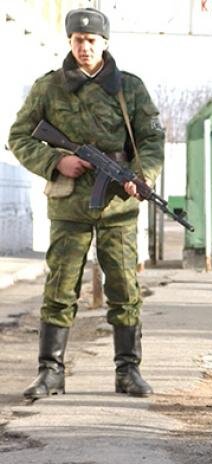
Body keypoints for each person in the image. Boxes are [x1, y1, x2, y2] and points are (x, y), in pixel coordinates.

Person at [9, 8, 164, 401]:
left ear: (105, 43)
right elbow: (19, 137)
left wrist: (141, 177)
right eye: (78, 41)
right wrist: (55, 161)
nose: (84, 47)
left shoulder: (129, 88)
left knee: (125, 289)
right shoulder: (49, 88)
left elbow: (150, 139)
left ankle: (128, 371)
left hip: (117, 208)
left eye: (91, 41)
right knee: (60, 288)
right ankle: (50, 373)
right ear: (70, 42)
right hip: (68, 206)